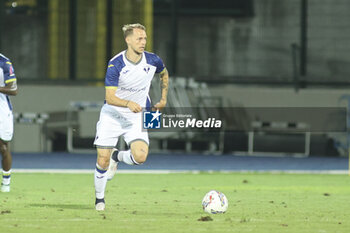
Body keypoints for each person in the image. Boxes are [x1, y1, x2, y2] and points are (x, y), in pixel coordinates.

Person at [93, 23, 169, 211]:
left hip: (137, 115)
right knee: (102, 159)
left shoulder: (153, 60)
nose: (143, 42)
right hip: (113, 114)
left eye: (145, 38)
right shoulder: (116, 64)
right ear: (128, 40)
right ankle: (99, 199)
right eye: (139, 38)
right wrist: (127, 103)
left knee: (141, 157)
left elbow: (164, 74)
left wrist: (163, 98)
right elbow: (109, 97)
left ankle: (116, 157)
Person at [0, 53, 18, 193]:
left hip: (2, 110)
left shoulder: (4, 63)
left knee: (3, 147)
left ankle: (6, 182)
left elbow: (13, 89)